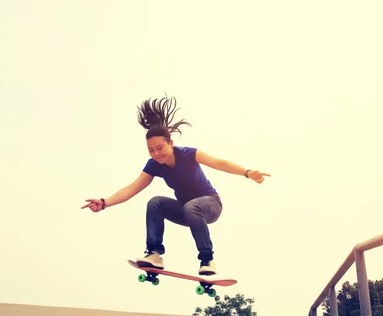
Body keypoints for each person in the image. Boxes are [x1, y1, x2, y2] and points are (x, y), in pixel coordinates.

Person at [82, 96, 270, 275]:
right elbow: (132, 188)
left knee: (192, 206)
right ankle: (154, 254)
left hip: (211, 205)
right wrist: (105, 202)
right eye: (151, 150)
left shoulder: (189, 154)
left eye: (160, 148)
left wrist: (247, 173)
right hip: (187, 211)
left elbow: (218, 163)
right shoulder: (154, 166)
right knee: (155, 202)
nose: (156, 154)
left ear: (170, 143)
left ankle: (207, 260)